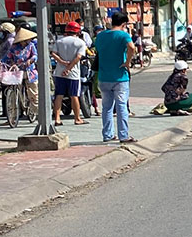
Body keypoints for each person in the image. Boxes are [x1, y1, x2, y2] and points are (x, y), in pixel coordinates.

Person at [94, 12, 137, 143]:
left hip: (103, 76)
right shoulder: (123, 35)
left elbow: (98, 51)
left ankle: (107, 135)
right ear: (124, 24)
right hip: (120, 76)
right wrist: (127, 62)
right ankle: (123, 135)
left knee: (106, 107)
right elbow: (132, 47)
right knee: (121, 106)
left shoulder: (100, 36)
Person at [51, 21, 88, 127]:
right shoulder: (80, 43)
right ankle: (77, 118)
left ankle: (57, 119)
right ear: (77, 31)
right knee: (74, 96)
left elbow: (53, 54)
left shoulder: (59, 41)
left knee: (59, 95)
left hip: (59, 72)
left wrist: (62, 62)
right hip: (73, 73)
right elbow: (78, 57)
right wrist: (69, 68)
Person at [0, 26, 40, 120]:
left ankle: (35, 111)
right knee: (15, 89)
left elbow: (35, 56)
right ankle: (15, 111)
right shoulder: (14, 48)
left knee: (33, 93)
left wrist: (31, 60)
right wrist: (1, 62)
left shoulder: (31, 46)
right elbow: (7, 57)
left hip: (30, 71)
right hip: (18, 71)